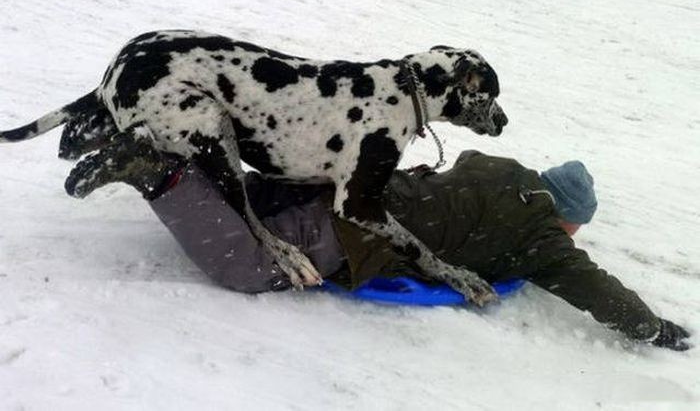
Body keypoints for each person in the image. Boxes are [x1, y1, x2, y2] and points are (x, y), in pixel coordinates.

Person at [65, 134, 692, 351]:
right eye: (578, 228)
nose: (575, 239)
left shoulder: (497, 169)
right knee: (252, 268)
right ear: (567, 218)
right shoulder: (540, 238)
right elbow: (592, 287)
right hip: (351, 228)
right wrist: (652, 328)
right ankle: (158, 173)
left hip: (354, 185)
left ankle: (181, 155)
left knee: (255, 196)